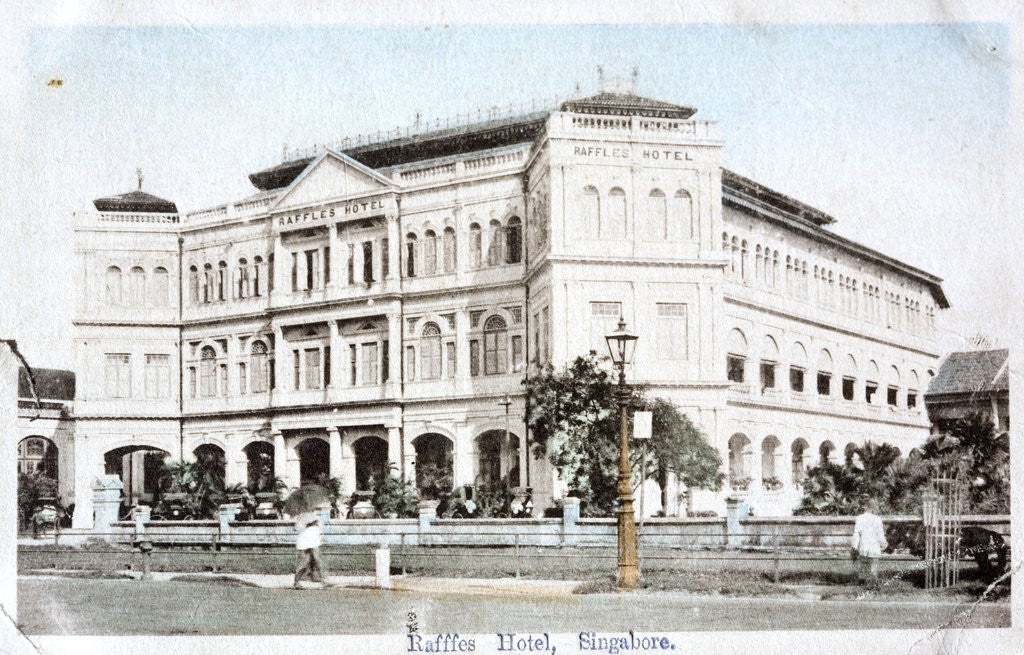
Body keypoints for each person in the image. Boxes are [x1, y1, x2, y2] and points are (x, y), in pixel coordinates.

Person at [851, 499, 887, 585]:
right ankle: (873, 583)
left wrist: (854, 546)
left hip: (864, 546)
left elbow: (857, 534)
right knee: (873, 567)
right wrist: (884, 543)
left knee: (863, 566)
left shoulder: (859, 518)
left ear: (864, 507)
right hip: (874, 547)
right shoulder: (878, 519)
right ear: (873, 508)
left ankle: (862, 582)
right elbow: (880, 534)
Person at [293, 510, 328, 589]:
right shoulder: (303, 517)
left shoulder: (315, 517)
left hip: (311, 540)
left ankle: (318, 579)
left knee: (314, 560)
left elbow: (319, 528)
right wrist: (308, 523)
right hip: (305, 542)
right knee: (306, 561)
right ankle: (298, 581)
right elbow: (297, 528)